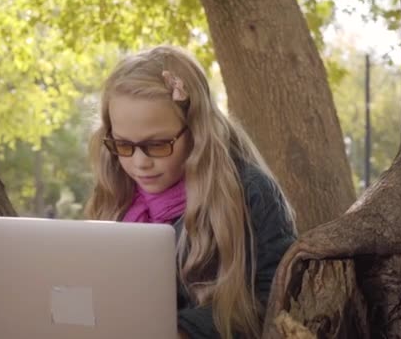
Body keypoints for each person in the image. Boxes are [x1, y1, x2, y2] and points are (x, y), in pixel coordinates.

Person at [85, 45, 297, 339]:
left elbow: (273, 294)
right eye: (123, 145)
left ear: (196, 130)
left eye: (157, 145)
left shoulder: (248, 192)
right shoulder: (116, 192)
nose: (139, 162)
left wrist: (182, 331)